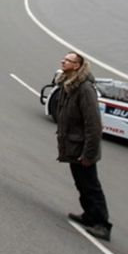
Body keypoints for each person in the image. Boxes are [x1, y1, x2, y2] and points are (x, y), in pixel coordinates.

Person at [52, 52, 112, 240]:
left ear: (77, 66)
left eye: (67, 60)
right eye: (64, 59)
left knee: (91, 185)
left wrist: (89, 154)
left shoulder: (85, 89)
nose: (63, 61)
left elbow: (93, 124)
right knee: (81, 182)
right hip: (73, 145)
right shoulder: (68, 84)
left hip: (83, 149)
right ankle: (89, 215)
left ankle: (102, 224)